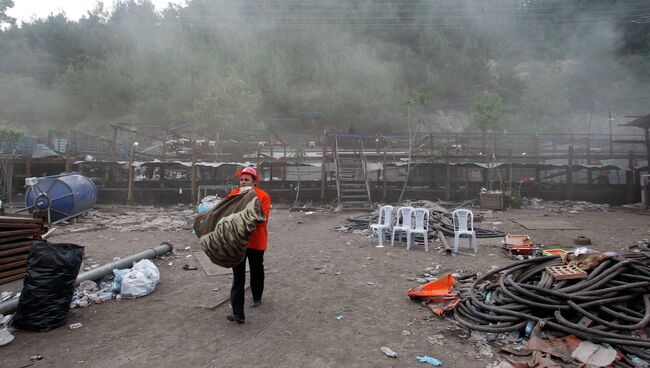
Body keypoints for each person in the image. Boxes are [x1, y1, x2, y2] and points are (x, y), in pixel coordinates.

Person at [226, 167, 271, 324]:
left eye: (246, 180)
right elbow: (225, 212)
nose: (243, 182)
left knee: (256, 270)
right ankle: (238, 313)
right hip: (238, 242)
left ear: (254, 182)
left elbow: (261, 218)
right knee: (238, 276)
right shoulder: (234, 195)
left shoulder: (263, 196)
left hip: (256, 242)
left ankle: (257, 297)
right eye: (241, 180)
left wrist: (238, 218)